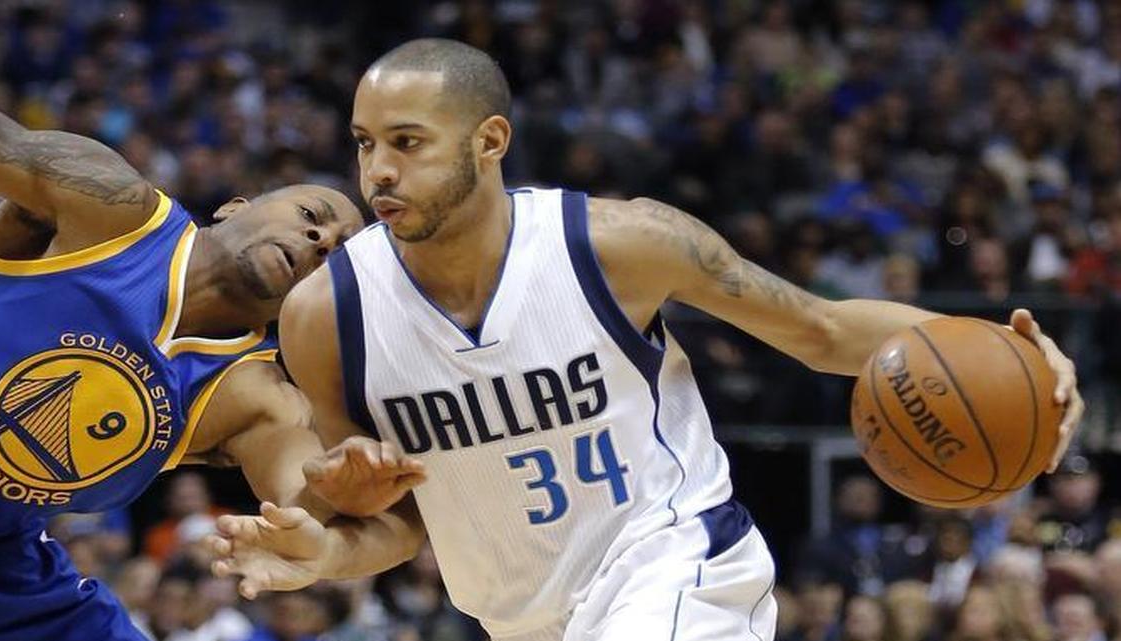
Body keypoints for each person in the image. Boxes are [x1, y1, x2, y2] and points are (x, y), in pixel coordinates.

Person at [208, 39, 1083, 641]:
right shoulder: (327, 314)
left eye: (408, 143)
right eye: (365, 145)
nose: (379, 173)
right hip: (519, 618)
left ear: (490, 141)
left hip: (678, 565)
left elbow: (820, 328)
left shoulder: (619, 243)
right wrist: (326, 541)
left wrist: (1008, 348)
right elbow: (395, 528)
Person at [0, 99, 424, 641]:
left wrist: (342, 493)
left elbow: (301, 498)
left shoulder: (256, 397)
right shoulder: (114, 209)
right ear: (234, 207)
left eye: (335, 257)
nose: (319, 241)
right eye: (311, 217)